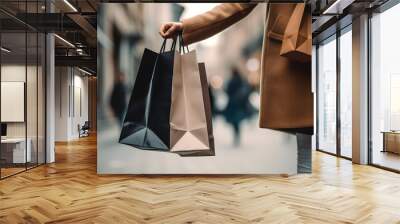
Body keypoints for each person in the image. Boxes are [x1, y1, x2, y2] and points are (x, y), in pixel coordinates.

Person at [160, 3, 313, 172]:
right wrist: (187, 27)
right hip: (299, 48)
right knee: (308, 155)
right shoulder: (235, 80)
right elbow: (238, 5)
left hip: (338, 31)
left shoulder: (236, 80)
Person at [223, 68, 253, 146]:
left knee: (235, 122)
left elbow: (228, 91)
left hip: (234, 105)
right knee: (237, 122)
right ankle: (237, 137)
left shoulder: (232, 81)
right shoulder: (241, 81)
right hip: (239, 105)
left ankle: (236, 137)